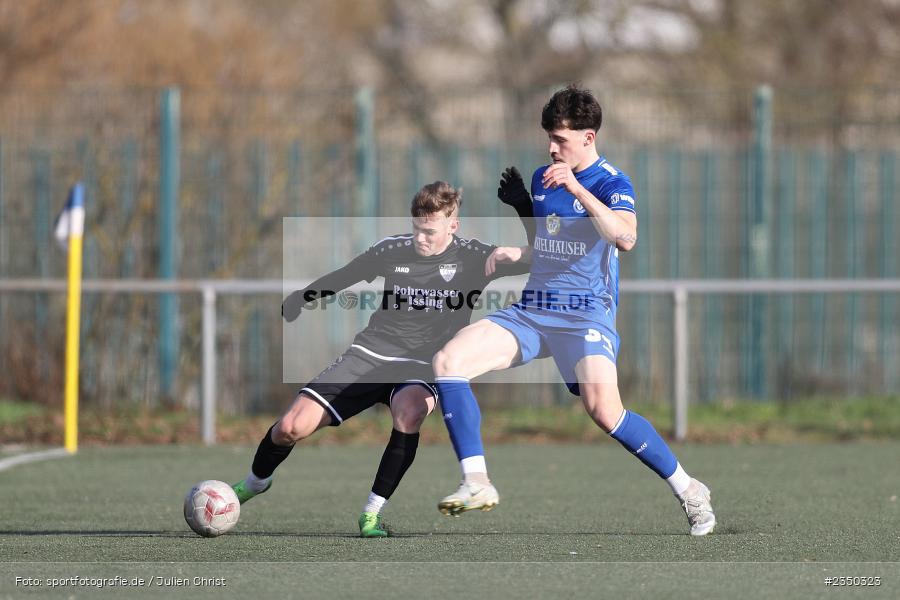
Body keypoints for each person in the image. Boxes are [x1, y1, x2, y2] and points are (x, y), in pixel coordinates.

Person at [431, 85, 716, 536]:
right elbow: (546, 245)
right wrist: (524, 211)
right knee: (448, 361)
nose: (551, 147)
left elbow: (625, 237)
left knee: (605, 411)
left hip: (586, 314)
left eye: (560, 139)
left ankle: (689, 488)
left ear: (588, 137)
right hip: (534, 310)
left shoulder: (611, 183)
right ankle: (477, 482)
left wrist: (577, 188)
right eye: (549, 137)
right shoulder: (545, 177)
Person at [231, 180, 533, 537]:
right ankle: (255, 482)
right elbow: (348, 275)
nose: (420, 238)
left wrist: (524, 208)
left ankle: (371, 513)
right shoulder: (392, 250)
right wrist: (304, 296)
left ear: (453, 225)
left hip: (423, 365)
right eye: (416, 228)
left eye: (430, 232)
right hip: (370, 353)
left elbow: (538, 256)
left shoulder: (474, 256)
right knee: (290, 428)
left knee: (410, 411)